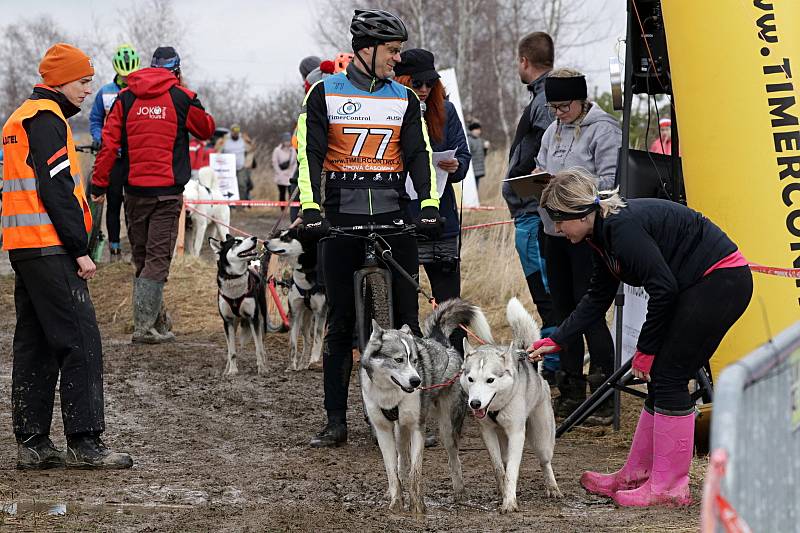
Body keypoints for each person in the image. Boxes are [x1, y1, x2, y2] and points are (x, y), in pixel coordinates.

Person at [529, 167, 752, 507]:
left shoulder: (621, 229)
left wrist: (645, 350)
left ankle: (670, 488)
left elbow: (663, 289)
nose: (556, 229)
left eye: (559, 220)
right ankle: (637, 474)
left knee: (671, 375)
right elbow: (596, 298)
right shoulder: (598, 235)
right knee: (663, 376)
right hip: (697, 285)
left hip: (720, 281)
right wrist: (558, 338)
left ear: (580, 211)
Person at [297, 9, 441, 448]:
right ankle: (335, 420)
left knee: (407, 321)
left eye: (398, 51)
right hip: (341, 216)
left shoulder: (405, 98)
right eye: (392, 52)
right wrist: (311, 206)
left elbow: (420, 154)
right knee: (340, 322)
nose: (397, 60)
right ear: (366, 49)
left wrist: (430, 203)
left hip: (394, 213)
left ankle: (409, 416)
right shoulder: (323, 93)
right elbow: (311, 152)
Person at [2, 43, 133, 469]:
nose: (87, 90)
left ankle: (34, 443)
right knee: (81, 341)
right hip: (51, 245)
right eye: (82, 82)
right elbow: (57, 190)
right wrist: (81, 249)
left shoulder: (18, 118)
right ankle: (85, 442)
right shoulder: (46, 119)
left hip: (24, 249)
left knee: (36, 345)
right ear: (58, 81)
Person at [92, 46, 215, 344]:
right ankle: (145, 328)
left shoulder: (125, 97)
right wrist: (186, 94)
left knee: (143, 257)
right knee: (157, 259)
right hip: (167, 194)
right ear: (177, 70)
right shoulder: (181, 98)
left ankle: (157, 320)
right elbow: (206, 129)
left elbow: (108, 146)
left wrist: (98, 184)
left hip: (133, 192)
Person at [535, 68, 622, 424]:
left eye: (564, 105)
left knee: (590, 312)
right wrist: (538, 180)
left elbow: (610, 181)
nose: (558, 112)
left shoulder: (603, 130)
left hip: (586, 234)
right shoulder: (552, 130)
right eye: (553, 106)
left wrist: (569, 184)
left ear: (582, 99)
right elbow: (540, 165)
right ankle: (570, 389)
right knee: (562, 311)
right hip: (554, 231)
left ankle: (602, 393)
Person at [501, 31, 558, 383]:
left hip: (534, 212)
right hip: (528, 210)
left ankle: (554, 371)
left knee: (547, 294)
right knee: (547, 294)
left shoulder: (545, 99)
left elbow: (553, 146)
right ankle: (556, 367)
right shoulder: (542, 96)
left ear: (524, 61)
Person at [394, 48, 471, 304]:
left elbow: (464, 156)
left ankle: (454, 344)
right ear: (402, 82)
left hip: (441, 218)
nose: (425, 88)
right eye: (417, 83)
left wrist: (456, 165)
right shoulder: (389, 114)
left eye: (430, 82)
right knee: (404, 301)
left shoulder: (446, 111)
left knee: (449, 304)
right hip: (403, 217)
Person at [89, 44, 141, 261]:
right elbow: (94, 120)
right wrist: (100, 139)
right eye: (124, 77)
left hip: (133, 158)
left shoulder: (141, 91)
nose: (127, 80)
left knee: (133, 203)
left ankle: (134, 247)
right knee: (113, 204)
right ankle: (114, 249)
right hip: (112, 158)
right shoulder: (105, 92)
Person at [222, 124, 254, 201]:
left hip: (241, 168)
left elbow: (251, 150)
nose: (236, 134)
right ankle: (229, 204)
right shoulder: (225, 140)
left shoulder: (243, 139)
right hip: (228, 169)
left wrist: (248, 162)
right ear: (231, 132)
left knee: (242, 185)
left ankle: (241, 204)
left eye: (237, 132)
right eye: (234, 132)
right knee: (228, 186)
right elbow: (218, 151)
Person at [271, 132, 296, 209]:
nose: (287, 142)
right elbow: (274, 162)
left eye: (289, 141)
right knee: (282, 193)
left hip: (290, 175)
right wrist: (280, 173)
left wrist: (292, 173)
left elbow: (295, 163)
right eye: (286, 141)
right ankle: (282, 209)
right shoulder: (277, 150)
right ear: (283, 141)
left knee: (291, 193)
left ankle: (291, 210)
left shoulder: (293, 150)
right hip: (280, 176)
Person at [467, 121, 488, 194]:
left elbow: (483, 155)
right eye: (477, 129)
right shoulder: (468, 140)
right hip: (471, 171)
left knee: (476, 190)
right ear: (472, 130)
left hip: (478, 170)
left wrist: (485, 149)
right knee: (471, 190)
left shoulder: (480, 140)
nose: (479, 131)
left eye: (480, 129)